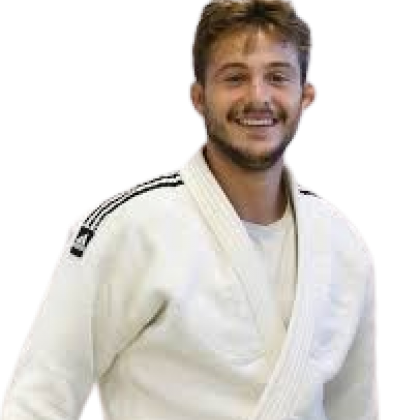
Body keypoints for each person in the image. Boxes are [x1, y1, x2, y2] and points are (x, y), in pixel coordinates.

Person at [0, 1, 380, 420]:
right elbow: (36, 402)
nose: (258, 97)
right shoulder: (126, 230)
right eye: (235, 77)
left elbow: (357, 411)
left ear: (306, 96)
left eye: (277, 77)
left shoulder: (344, 247)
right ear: (198, 98)